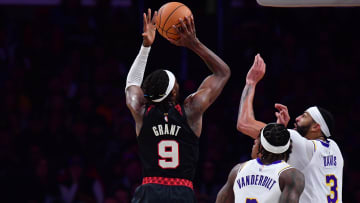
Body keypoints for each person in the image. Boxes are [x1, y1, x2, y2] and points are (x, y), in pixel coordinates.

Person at [125, 9, 231, 202]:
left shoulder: (141, 110)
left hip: (150, 190)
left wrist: (146, 46)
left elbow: (131, 83)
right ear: (174, 92)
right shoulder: (190, 110)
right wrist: (194, 43)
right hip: (181, 192)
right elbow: (222, 73)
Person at [236, 54, 344, 203]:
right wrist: (281, 129)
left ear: (316, 127)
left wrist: (251, 82)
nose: (297, 118)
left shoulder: (304, 146)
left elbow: (244, 123)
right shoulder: (335, 149)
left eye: (304, 116)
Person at [216, 123, 305, 203]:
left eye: (255, 142)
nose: (253, 145)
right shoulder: (291, 175)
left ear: (261, 146)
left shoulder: (237, 170)